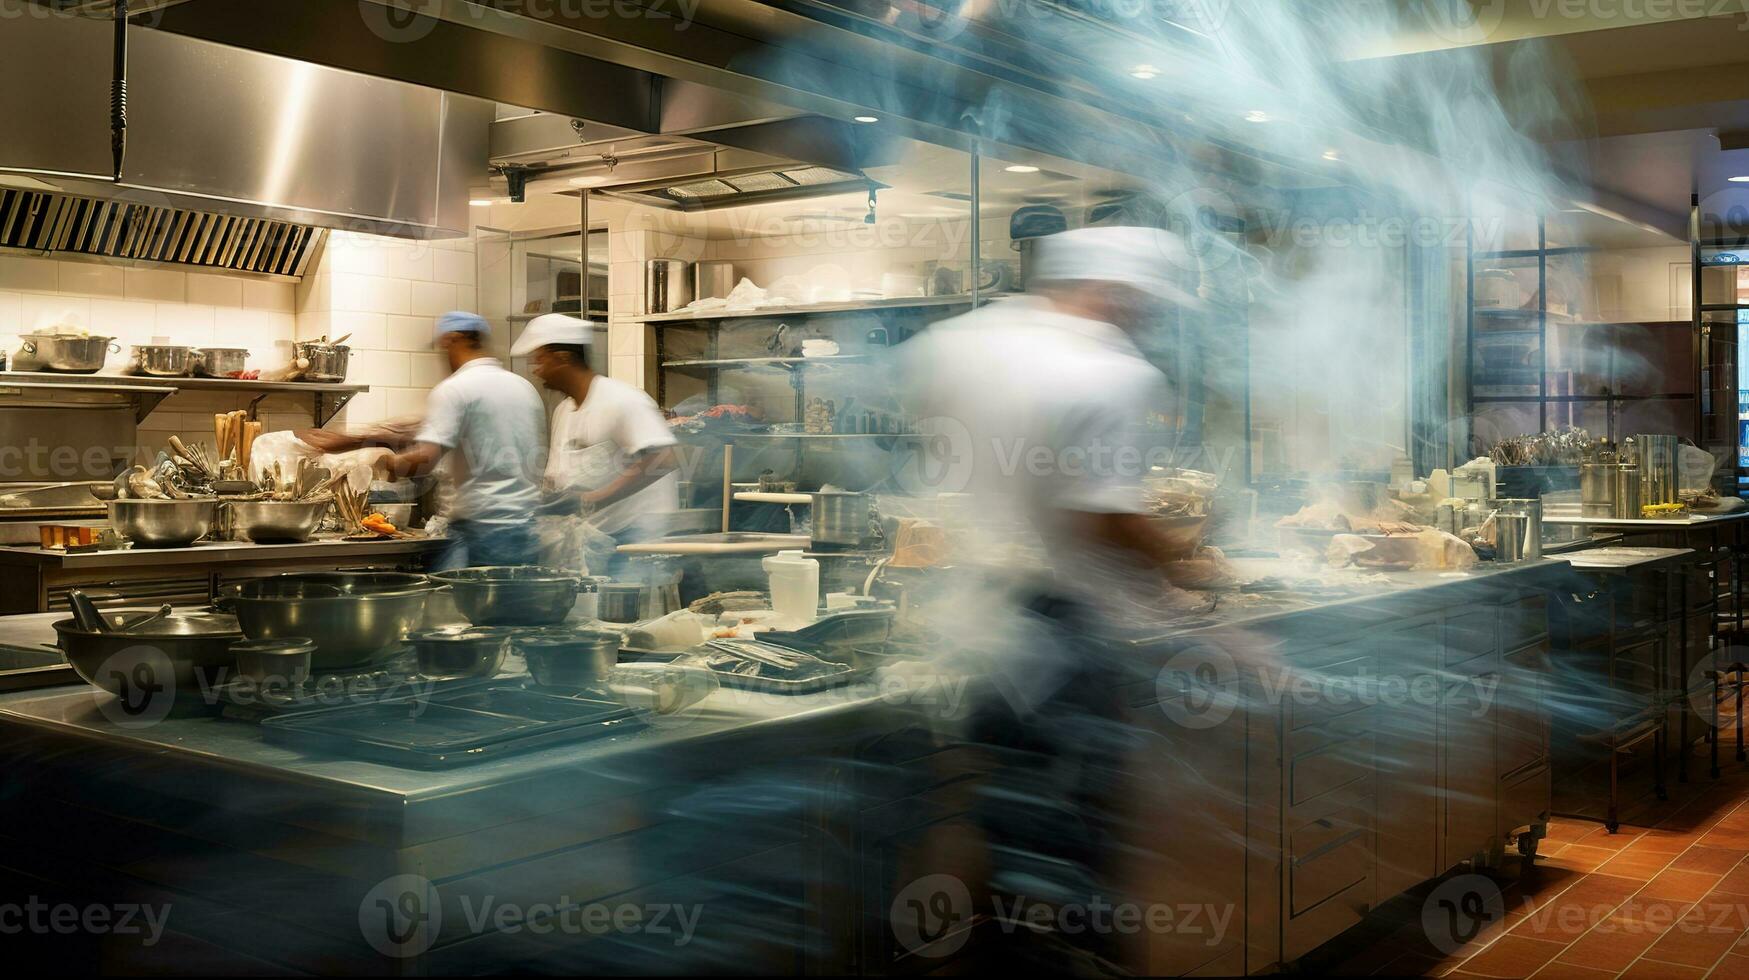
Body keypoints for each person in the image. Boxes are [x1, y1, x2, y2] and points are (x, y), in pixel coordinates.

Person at [903, 225, 1202, 973]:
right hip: (1055, 640)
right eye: (1144, 306)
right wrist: (1191, 570)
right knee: (1074, 860)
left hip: (965, 628)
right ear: (1115, 292)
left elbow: (933, 447)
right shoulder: (1109, 372)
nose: (1146, 321)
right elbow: (1103, 518)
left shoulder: (963, 341)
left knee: (998, 833)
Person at [508, 313, 680, 575]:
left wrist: (591, 499)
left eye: (540, 360)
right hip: (598, 537)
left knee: (633, 613)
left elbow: (662, 459)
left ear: (563, 358)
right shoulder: (564, 411)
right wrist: (543, 500)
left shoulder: (622, 400)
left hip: (637, 537)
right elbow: (561, 475)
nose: (536, 369)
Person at [381, 311, 547, 569]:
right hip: (526, 526)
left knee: (456, 605)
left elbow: (424, 461)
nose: (442, 353)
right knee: (513, 608)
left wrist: (391, 463)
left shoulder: (455, 388)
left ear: (454, 339)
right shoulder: (523, 387)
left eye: (443, 345)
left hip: (482, 528)